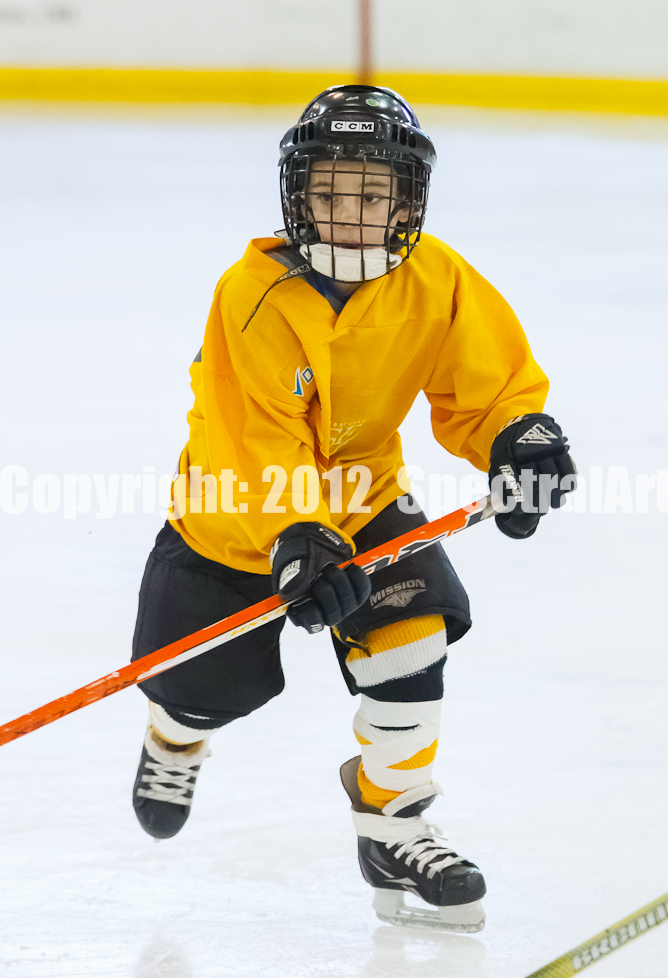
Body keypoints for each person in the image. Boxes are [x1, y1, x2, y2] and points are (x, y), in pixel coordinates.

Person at [130, 84, 576, 931]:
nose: (350, 217)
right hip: (240, 517)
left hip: (364, 498)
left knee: (413, 641)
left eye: (372, 198)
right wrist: (296, 531)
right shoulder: (251, 294)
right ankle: (175, 738)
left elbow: (489, 388)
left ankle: (392, 826)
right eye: (330, 195)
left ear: (406, 204)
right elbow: (252, 441)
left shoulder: (437, 279)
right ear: (300, 200)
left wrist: (518, 438)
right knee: (196, 693)